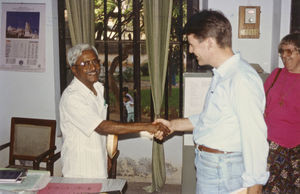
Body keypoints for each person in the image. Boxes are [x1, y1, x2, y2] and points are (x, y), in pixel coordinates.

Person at [155, 10, 269, 194]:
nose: (190, 51)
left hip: (223, 170)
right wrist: (173, 124)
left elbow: (254, 136)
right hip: (214, 167)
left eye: (192, 45)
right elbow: (213, 119)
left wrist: (254, 186)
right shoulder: (223, 74)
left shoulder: (241, 79)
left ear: (209, 42)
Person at [59, 43, 169, 179]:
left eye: (95, 61)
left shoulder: (98, 89)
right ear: (74, 70)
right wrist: (147, 126)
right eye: (85, 64)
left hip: (98, 162)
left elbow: (103, 129)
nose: (93, 67)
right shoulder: (72, 97)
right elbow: (102, 126)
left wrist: (107, 154)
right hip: (79, 168)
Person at [263, 33, 300, 193]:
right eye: (282, 52)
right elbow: (260, 102)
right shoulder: (276, 74)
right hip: (269, 144)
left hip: (295, 148)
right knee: (267, 187)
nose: (284, 56)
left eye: (289, 51)